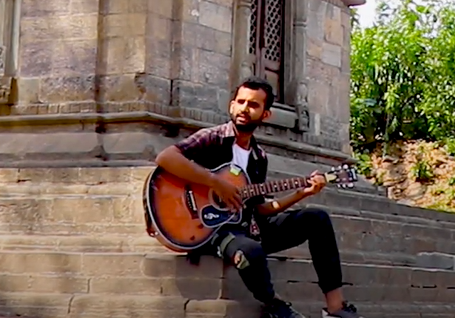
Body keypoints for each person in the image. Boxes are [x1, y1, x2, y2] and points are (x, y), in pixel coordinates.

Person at [154, 76, 364, 318]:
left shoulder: (258, 158)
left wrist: (302, 193)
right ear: (231, 106)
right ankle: (274, 303)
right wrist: (215, 183)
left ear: (265, 114)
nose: (244, 108)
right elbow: (166, 158)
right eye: (241, 102)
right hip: (211, 229)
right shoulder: (212, 138)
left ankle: (336, 307)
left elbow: (261, 208)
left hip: (246, 226)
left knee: (317, 219)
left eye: (253, 104)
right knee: (250, 251)